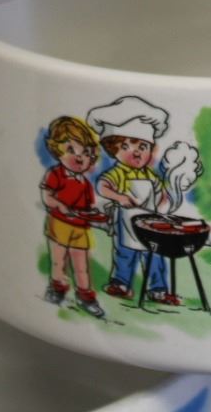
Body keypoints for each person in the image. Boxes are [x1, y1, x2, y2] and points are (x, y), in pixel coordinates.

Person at [88, 96, 175, 305]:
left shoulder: (150, 175)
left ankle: (158, 289)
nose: (136, 151)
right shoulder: (118, 172)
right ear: (114, 150)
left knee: (154, 255)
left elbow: (160, 193)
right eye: (126, 146)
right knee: (125, 253)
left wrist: (162, 199)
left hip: (150, 221)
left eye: (143, 146)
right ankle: (121, 284)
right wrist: (119, 197)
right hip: (126, 222)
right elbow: (102, 186)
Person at [38, 116, 105, 318]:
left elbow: (88, 207)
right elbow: (47, 197)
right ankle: (57, 288)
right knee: (58, 261)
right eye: (71, 150)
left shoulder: (85, 183)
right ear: (57, 151)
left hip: (80, 227)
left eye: (86, 153)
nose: (79, 157)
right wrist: (59, 205)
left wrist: (97, 216)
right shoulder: (56, 174)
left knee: (81, 265)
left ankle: (86, 297)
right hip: (59, 224)